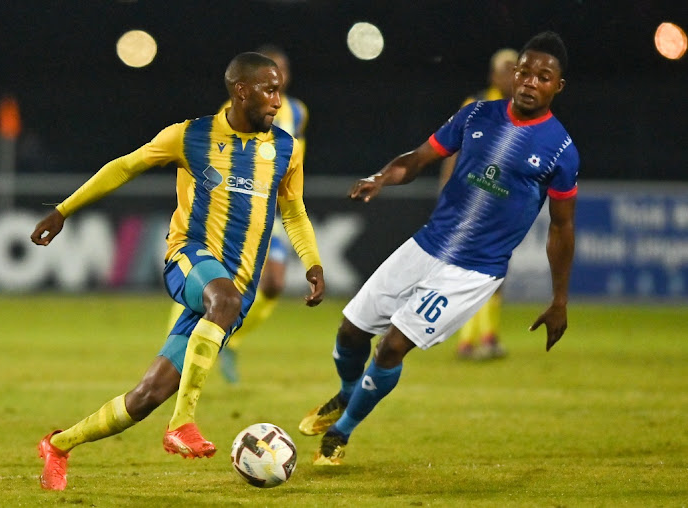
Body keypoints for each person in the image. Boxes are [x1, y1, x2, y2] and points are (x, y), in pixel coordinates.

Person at [30, 52, 325, 490]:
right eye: (269, 90)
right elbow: (126, 166)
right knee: (221, 299)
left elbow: (295, 212)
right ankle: (183, 422)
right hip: (189, 257)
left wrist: (313, 263)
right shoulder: (192, 135)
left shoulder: (285, 149)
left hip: (232, 294)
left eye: (279, 90)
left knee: (147, 395)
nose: (278, 101)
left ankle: (59, 445)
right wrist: (64, 210)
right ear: (241, 90)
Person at [298, 31, 577, 466]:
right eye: (524, 72)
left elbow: (562, 228)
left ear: (557, 86)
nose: (529, 82)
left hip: (473, 271)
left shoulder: (561, 150)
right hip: (428, 244)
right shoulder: (476, 114)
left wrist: (559, 299)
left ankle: (341, 432)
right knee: (350, 331)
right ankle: (348, 393)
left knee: (391, 347)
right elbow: (419, 158)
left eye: (543, 77)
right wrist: (381, 177)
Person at [165, 44, 309, 384]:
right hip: (231, 208)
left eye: (284, 69)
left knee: (273, 285)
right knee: (208, 276)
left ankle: (232, 340)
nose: (280, 76)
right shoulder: (234, 109)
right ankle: (176, 342)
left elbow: (292, 156)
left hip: (269, 208)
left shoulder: (298, 112)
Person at [439, 47, 519, 361]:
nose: (512, 75)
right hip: (472, 196)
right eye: (507, 69)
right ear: (493, 75)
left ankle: (475, 340)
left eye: (517, 70)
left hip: (501, 199)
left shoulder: (521, 111)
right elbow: (452, 147)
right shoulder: (475, 105)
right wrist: (446, 190)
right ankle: (478, 339)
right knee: (479, 269)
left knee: (493, 270)